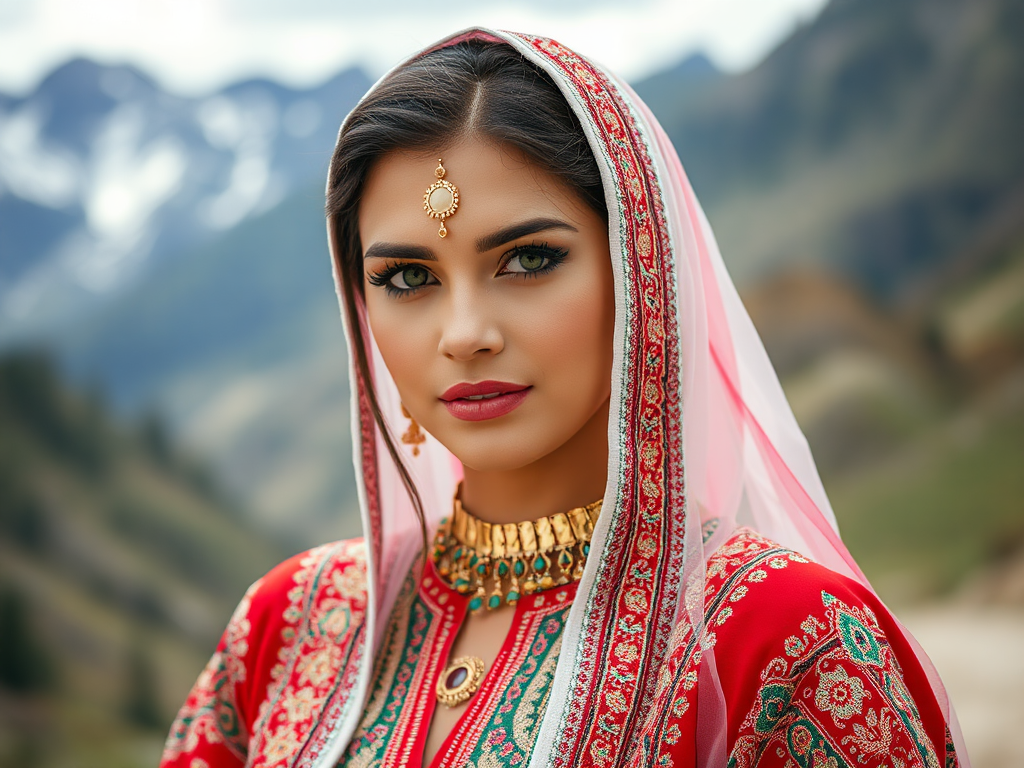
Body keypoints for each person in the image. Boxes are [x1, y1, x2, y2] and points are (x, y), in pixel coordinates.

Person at [160, 29, 967, 767]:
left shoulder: (787, 638)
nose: (465, 333)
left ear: (641, 272)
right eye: (407, 279)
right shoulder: (294, 624)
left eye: (529, 260)